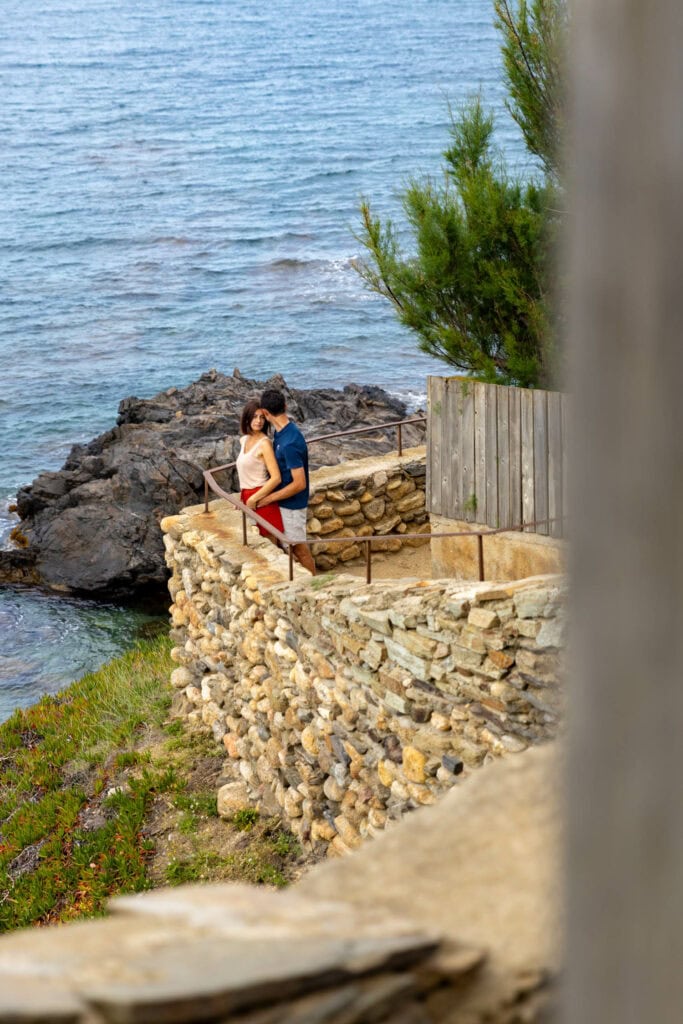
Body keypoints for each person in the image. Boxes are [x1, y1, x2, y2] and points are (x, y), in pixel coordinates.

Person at [255, 388, 316, 574]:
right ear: (285, 406)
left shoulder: (289, 442)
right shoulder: (281, 433)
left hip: (292, 506)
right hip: (283, 503)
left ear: (265, 413)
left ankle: (315, 584)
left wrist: (270, 498)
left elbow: (299, 483)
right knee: (284, 546)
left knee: (299, 549)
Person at [235, 399, 284, 539]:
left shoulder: (265, 444)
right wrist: (243, 498)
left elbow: (276, 478)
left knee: (271, 546)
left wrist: (253, 498)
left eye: (262, 417)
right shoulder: (243, 440)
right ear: (247, 418)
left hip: (261, 498)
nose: (259, 421)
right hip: (247, 496)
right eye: (255, 416)